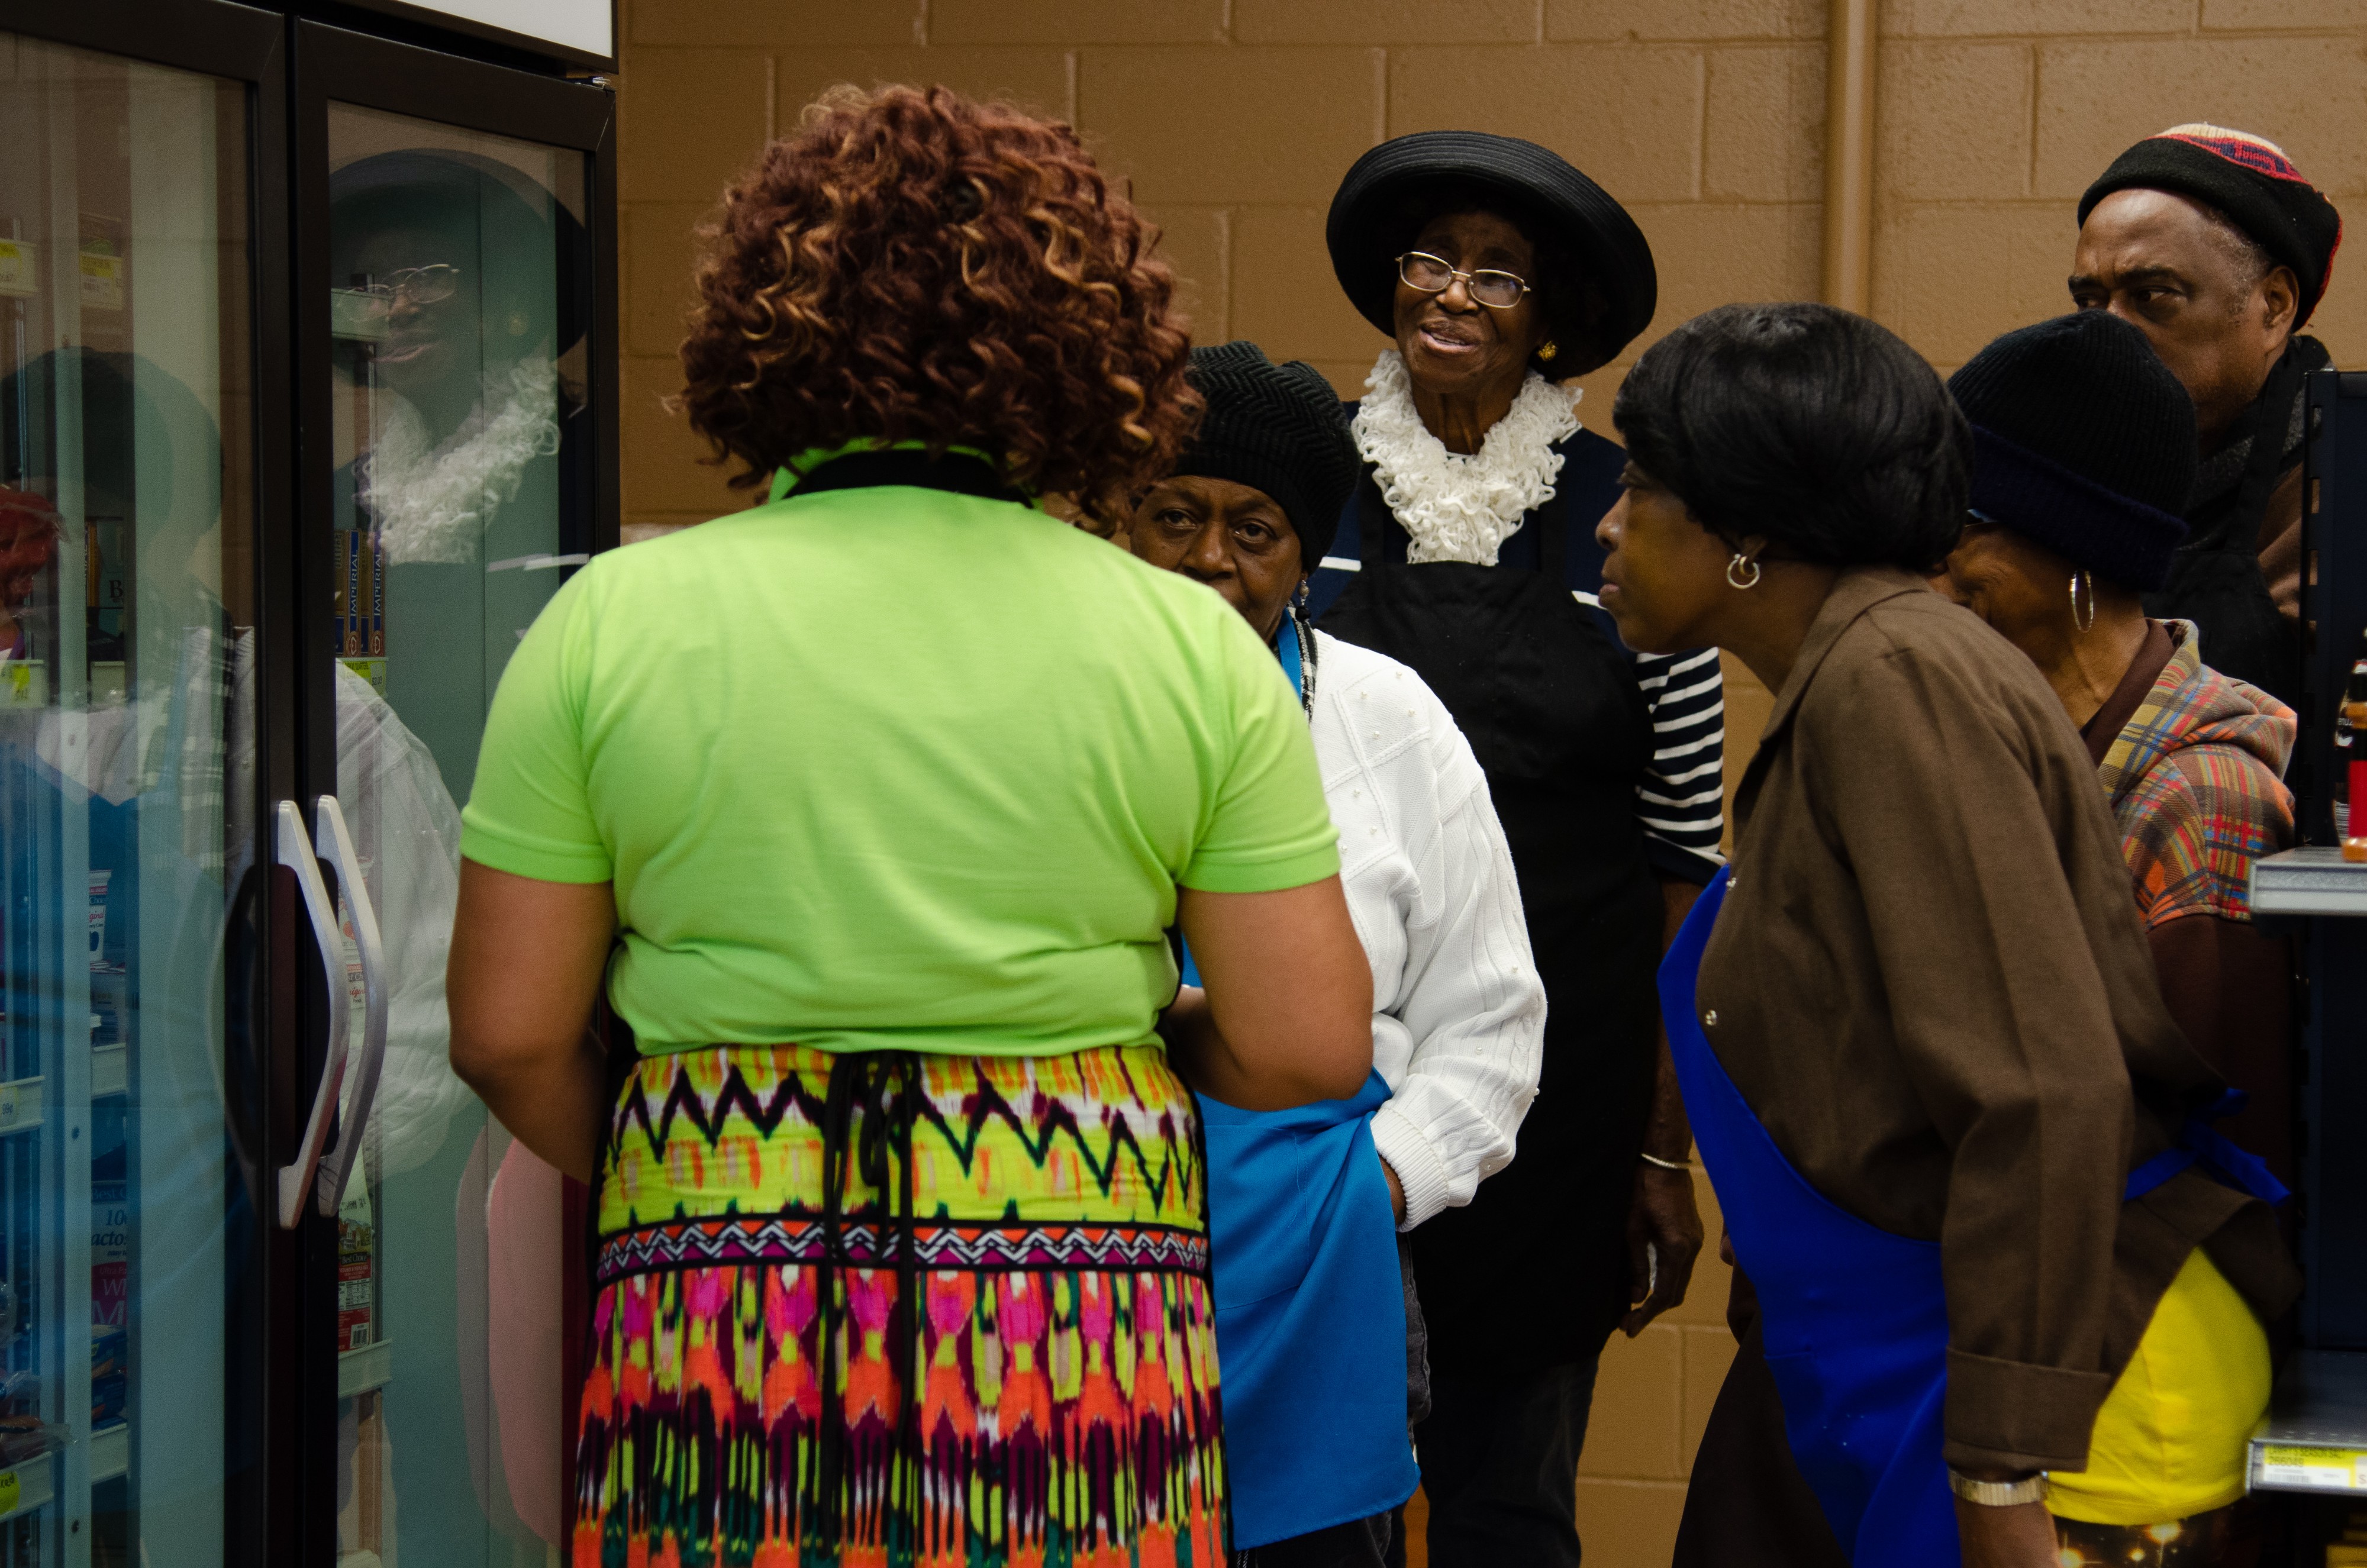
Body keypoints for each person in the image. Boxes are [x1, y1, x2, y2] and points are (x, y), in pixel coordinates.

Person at [443, 85, 1373, 1567]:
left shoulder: (610, 621)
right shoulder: (1186, 648)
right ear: (1095, 355)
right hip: (1075, 1292)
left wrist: (685, 1147)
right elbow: (1310, 1045)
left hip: (718, 1272)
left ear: (762, 326)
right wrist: (1129, 1041)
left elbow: (503, 1031)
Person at [1602, 303, 2296, 1568]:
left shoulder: (1895, 679)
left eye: (1642, 483)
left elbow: (2039, 1085)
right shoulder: (1858, 679)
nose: (1606, 521)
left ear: (1745, 529)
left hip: (2067, 1412)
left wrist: (1996, 1476)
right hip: (1947, 1371)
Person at [1306, 129, 1712, 1567]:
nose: (1454, 295)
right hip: (1314, 1080)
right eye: (1431, 259)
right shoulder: (1306, 499)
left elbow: (1683, 863)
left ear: (1548, 317)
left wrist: (1660, 1146)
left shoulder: (1632, 510)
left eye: (1497, 272)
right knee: (1312, 1495)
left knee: (1510, 1499)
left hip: (1556, 1100)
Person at [1126, 340, 1546, 1566]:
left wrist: (1370, 1187)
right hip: (1073, 1259)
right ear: (1115, 523)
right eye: (1172, 514)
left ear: (1306, 552)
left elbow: (1490, 1028)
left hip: (1318, 1277)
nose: (1210, 557)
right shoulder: (1039, 709)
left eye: (1253, 527)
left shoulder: (1387, 720)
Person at [1942, 310, 2299, 1195]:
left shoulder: (2204, 802)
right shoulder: (2013, 739)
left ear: (2078, 555)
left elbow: (2218, 1160)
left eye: (1967, 522)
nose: (1934, 563)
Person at [2071, 122, 2344, 708]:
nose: (2105, 333)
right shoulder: (2074, 475)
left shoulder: (2339, 492)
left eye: (2152, 295)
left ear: (2273, 307)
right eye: (2089, 301)